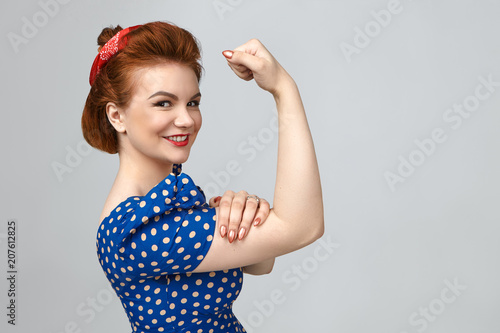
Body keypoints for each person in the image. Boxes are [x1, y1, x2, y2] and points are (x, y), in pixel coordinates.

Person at [82, 21, 324, 333]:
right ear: (117, 116)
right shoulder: (135, 230)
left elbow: (261, 262)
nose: (186, 119)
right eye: (164, 103)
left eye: (192, 103)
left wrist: (248, 211)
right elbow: (302, 227)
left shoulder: (170, 201)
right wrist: (284, 89)